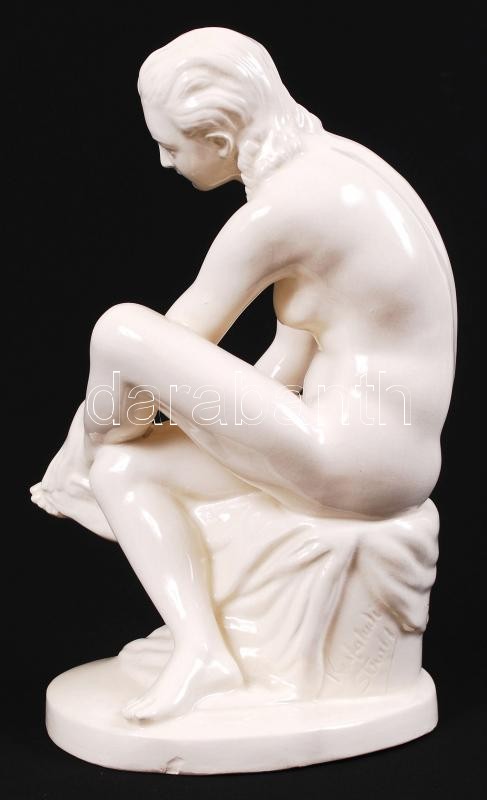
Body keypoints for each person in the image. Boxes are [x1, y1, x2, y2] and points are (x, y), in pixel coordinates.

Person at [31, 27, 456, 721]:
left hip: (361, 460)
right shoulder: (334, 169)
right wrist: (205, 429)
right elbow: (284, 365)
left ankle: (77, 467)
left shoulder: (282, 213)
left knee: (120, 329)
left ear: (221, 138)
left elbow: (163, 347)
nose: (164, 161)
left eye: (172, 146)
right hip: (349, 442)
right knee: (128, 469)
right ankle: (205, 654)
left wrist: (89, 436)